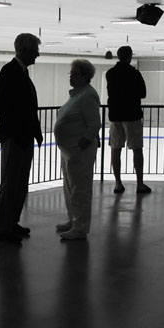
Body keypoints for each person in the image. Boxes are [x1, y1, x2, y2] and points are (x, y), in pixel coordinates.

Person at [0, 33, 43, 244]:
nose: (38, 55)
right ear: (24, 51)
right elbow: (4, 108)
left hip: (22, 136)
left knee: (20, 183)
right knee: (11, 183)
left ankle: (11, 222)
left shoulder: (21, 72)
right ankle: (2, 228)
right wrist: (17, 132)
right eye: (35, 51)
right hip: (15, 137)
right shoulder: (9, 72)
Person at [53, 59, 101, 240]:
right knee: (70, 187)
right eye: (70, 74)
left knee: (80, 188)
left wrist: (81, 144)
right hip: (69, 151)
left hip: (79, 151)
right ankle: (73, 220)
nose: (71, 77)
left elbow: (94, 124)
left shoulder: (88, 95)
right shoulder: (77, 94)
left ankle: (80, 227)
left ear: (85, 77)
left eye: (75, 74)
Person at [106, 46, 151, 194]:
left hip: (115, 115)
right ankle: (139, 183)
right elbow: (143, 93)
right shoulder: (134, 74)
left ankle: (118, 183)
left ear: (118, 56)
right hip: (132, 115)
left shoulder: (110, 74)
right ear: (130, 56)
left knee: (116, 149)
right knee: (137, 149)